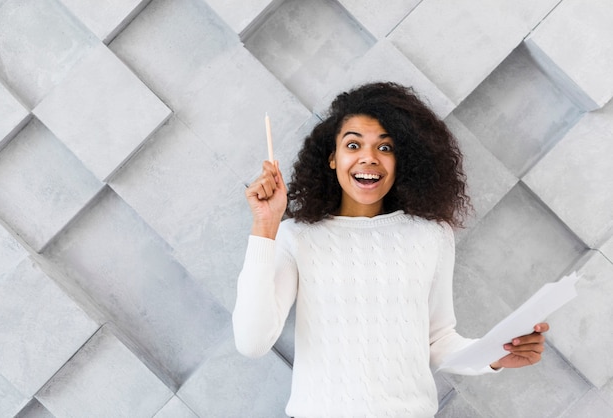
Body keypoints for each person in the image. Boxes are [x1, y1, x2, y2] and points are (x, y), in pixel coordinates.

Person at [232, 82, 548, 417]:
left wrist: (494, 355)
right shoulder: (295, 236)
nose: (369, 157)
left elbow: (438, 341)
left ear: (402, 160)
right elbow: (252, 343)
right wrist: (265, 227)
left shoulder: (431, 235)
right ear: (332, 159)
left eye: (385, 148)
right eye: (353, 144)